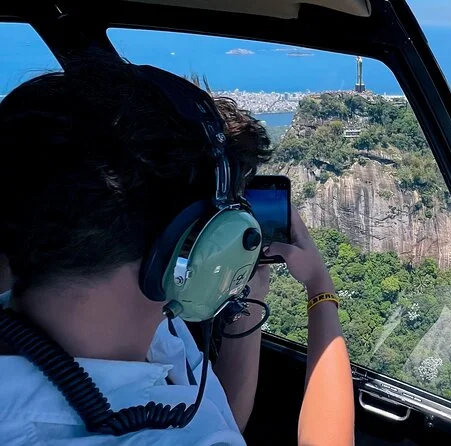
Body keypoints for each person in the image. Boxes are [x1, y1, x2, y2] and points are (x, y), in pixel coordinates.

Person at [0, 56, 354, 445]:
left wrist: (247, 300)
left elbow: (219, 418)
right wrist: (319, 286)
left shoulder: (148, 322)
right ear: (182, 243)